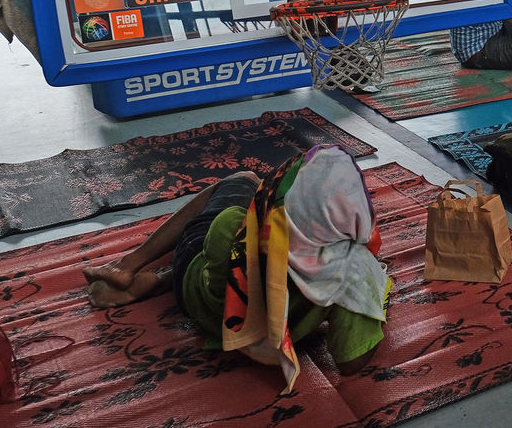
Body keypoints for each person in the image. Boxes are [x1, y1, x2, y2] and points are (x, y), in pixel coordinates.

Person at [82, 146, 389, 386]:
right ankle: (162, 278)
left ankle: (128, 265)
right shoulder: (355, 268)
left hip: (205, 307)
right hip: (278, 328)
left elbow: (225, 280)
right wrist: (373, 294)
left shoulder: (234, 226)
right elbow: (351, 363)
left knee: (242, 180)